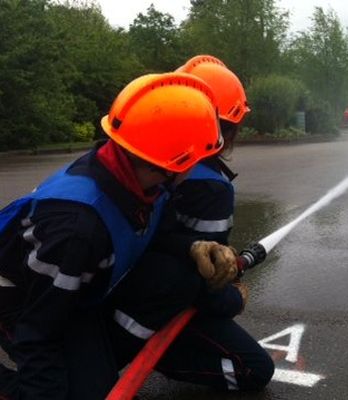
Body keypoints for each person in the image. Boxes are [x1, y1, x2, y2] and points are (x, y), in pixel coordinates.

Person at [0, 72, 237, 399]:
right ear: (172, 165)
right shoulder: (76, 229)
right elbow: (38, 330)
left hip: (75, 292)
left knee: (177, 276)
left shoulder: (141, 179)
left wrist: (195, 246)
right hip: (22, 301)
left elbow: (150, 233)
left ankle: (88, 372)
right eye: (196, 162)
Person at [106, 55, 274, 393]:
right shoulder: (209, 185)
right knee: (254, 369)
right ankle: (156, 354)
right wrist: (232, 300)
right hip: (150, 302)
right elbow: (202, 281)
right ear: (230, 128)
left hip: (109, 287)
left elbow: (163, 238)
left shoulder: (141, 159)